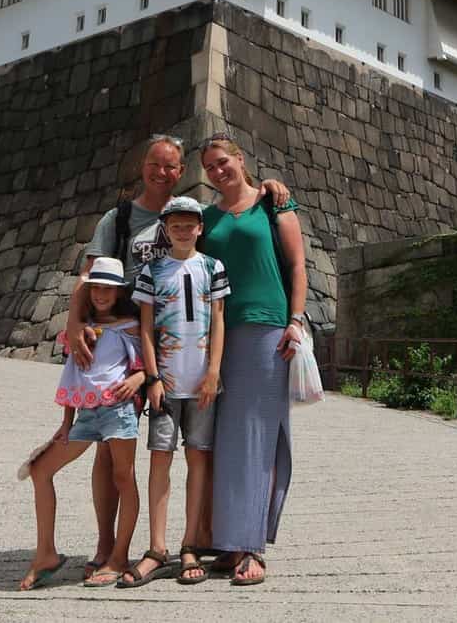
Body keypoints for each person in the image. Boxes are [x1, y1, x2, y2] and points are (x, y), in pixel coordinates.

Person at [67, 134, 291, 578]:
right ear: (142, 165)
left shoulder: (200, 219)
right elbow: (89, 272)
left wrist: (269, 186)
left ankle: (198, 539)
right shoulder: (122, 217)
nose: (163, 172)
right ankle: (110, 548)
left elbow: (236, 226)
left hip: (173, 358)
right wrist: (75, 322)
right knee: (112, 451)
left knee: (196, 449)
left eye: (172, 167)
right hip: (121, 345)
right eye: (156, 163)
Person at [199, 135, 308, 587]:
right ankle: (227, 541)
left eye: (222, 162)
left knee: (259, 436)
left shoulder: (274, 203)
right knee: (222, 438)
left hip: (267, 328)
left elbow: (298, 265)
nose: (217, 171)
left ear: (240, 159)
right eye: (209, 167)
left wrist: (296, 321)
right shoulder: (204, 219)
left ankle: (251, 546)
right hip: (216, 332)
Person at [119, 196, 229, 588]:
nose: (183, 230)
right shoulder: (152, 271)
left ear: (200, 227)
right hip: (165, 383)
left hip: (202, 383)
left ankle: (190, 543)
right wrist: (151, 377)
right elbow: (144, 327)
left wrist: (214, 372)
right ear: (166, 228)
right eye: (176, 224)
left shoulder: (213, 267)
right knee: (160, 462)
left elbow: (218, 320)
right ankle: (157, 547)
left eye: (190, 224)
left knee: (199, 461)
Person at [18, 257, 145, 591]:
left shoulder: (131, 323)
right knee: (40, 469)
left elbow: (152, 358)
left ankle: (119, 556)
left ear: (118, 292)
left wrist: (140, 378)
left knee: (123, 477)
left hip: (118, 410)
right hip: (86, 414)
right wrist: (65, 422)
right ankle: (45, 552)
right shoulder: (77, 329)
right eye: (95, 288)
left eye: (108, 288)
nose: (101, 294)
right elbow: (72, 372)